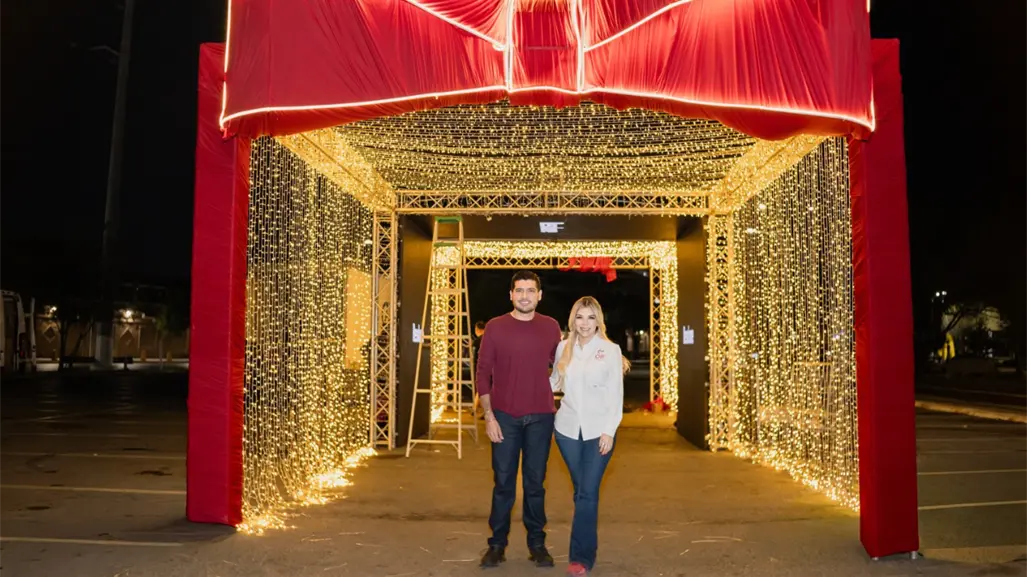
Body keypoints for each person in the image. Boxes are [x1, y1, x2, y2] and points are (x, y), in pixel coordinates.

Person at [475, 270, 563, 569]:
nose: (525, 295)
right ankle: (497, 545)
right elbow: (482, 372)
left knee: (536, 484)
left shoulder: (551, 327)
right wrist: (489, 417)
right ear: (511, 295)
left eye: (530, 290)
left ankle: (537, 544)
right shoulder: (496, 328)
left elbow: (565, 366)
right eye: (519, 290)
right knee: (503, 484)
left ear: (540, 295)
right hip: (504, 418)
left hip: (541, 418)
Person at [549, 297, 625, 577]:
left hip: (598, 433)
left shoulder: (610, 350)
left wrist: (609, 430)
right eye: (579, 317)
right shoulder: (563, 348)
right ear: (573, 321)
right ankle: (584, 549)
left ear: (598, 321)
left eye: (590, 318)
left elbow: (616, 395)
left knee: (587, 493)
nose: (584, 323)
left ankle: (580, 558)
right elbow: (554, 383)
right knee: (582, 493)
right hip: (567, 431)